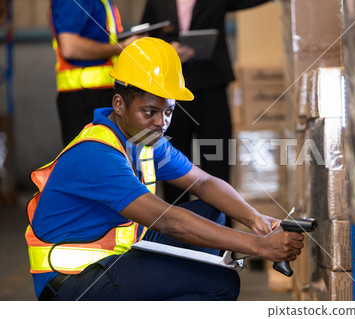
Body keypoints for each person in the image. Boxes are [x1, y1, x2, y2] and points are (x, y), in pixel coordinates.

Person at [25, 37, 304, 301]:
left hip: (116, 254)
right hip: (71, 283)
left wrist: (255, 220)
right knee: (221, 283)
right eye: (150, 112)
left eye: (168, 111)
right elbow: (168, 220)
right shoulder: (96, 154)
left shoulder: (144, 139)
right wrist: (259, 246)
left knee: (212, 211)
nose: (162, 122)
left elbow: (204, 183)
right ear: (119, 104)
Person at [141, 0, 272, 204]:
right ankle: (177, 224)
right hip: (171, 87)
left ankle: (222, 225)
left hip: (212, 85)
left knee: (217, 158)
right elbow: (146, 37)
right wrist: (167, 51)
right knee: (171, 160)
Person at [50, 0, 141, 146]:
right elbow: (70, 47)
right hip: (83, 98)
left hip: (99, 94)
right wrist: (121, 47)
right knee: (86, 160)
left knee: (107, 157)